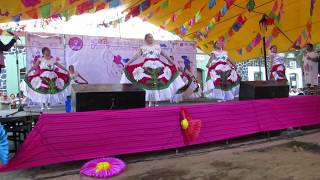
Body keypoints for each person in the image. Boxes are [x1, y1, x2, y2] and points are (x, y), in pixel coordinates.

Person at [120, 33, 185, 107]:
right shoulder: (143, 48)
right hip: (147, 66)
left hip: (158, 66)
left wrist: (174, 63)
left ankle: (155, 101)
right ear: (146, 39)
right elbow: (135, 56)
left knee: (157, 83)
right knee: (149, 82)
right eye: (149, 37)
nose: (151, 39)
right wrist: (127, 64)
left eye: (152, 37)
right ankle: (150, 102)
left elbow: (166, 56)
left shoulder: (157, 47)